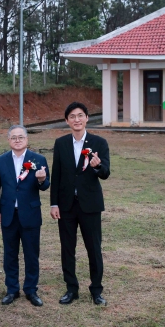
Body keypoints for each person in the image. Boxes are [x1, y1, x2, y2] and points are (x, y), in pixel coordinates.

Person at [50, 102, 111, 306]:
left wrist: (98, 166)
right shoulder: (61, 143)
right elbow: (56, 175)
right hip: (66, 205)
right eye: (72, 116)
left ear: (86, 118)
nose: (77, 119)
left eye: (80, 115)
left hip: (90, 205)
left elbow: (106, 173)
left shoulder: (99, 143)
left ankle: (96, 290)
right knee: (67, 248)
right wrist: (54, 204)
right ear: (67, 121)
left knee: (94, 248)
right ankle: (71, 289)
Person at [0, 125, 50, 307]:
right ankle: (12, 289)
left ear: (27, 139)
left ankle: (31, 290)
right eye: (14, 137)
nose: (17, 140)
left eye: (20, 137)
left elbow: (45, 185)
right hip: (8, 214)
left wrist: (41, 179)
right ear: (9, 140)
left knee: (31, 254)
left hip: (30, 214)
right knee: (10, 254)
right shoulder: (1, 160)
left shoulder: (38, 159)